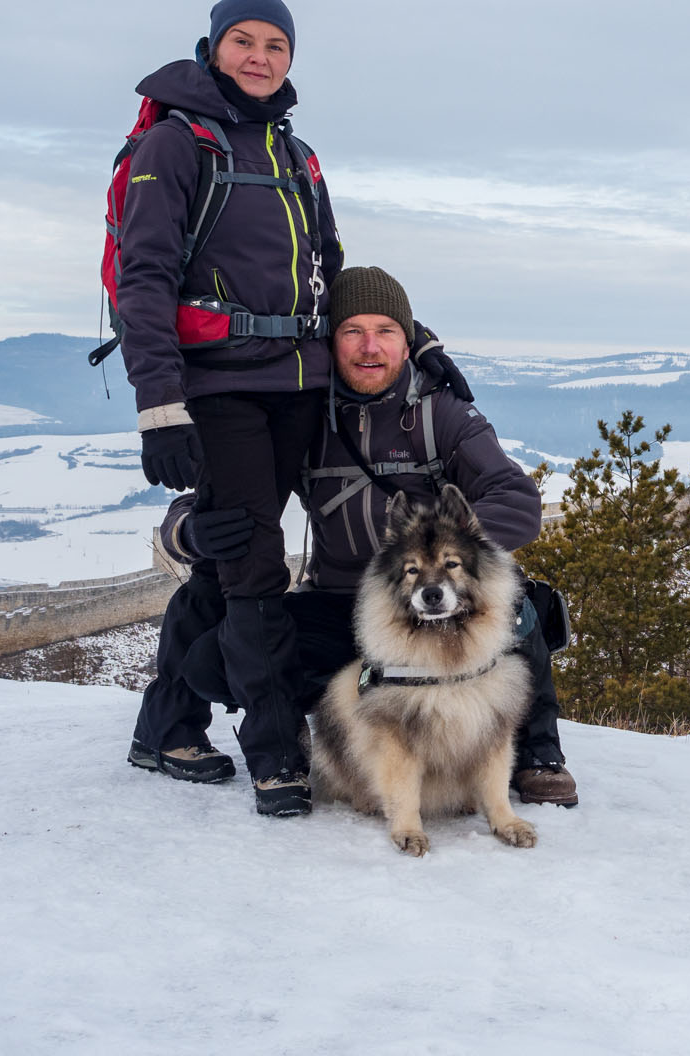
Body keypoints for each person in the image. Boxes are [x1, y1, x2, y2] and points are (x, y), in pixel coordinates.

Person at [118, 0, 470, 815]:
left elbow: (339, 279)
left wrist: (420, 346)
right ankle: (276, 752)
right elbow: (144, 279)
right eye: (243, 41)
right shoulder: (174, 146)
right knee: (254, 568)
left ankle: (164, 725)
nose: (259, 57)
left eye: (276, 46)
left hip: (300, 385)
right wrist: (160, 406)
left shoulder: (296, 155)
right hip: (221, 388)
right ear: (211, 49)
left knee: (224, 556)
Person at [132, 268, 579, 809]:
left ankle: (538, 754)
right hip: (340, 608)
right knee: (215, 651)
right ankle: (280, 730)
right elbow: (204, 501)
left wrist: (441, 551)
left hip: (433, 608)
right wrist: (191, 531)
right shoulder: (301, 417)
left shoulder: (442, 414)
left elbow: (517, 501)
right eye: (353, 331)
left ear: (407, 339)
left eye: (386, 331)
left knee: (523, 610)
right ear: (329, 341)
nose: (371, 347)